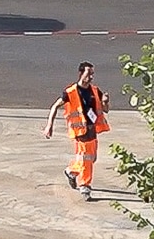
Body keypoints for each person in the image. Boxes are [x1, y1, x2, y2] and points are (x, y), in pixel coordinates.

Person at [43, 61, 111, 201]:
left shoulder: (95, 90)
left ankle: (71, 172)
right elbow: (55, 106)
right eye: (88, 73)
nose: (91, 77)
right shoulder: (71, 92)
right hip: (80, 131)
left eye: (92, 74)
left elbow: (105, 110)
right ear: (81, 73)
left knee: (91, 159)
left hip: (92, 130)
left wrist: (105, 101)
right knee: (86, 159)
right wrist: (49, 125)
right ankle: (85, 186)